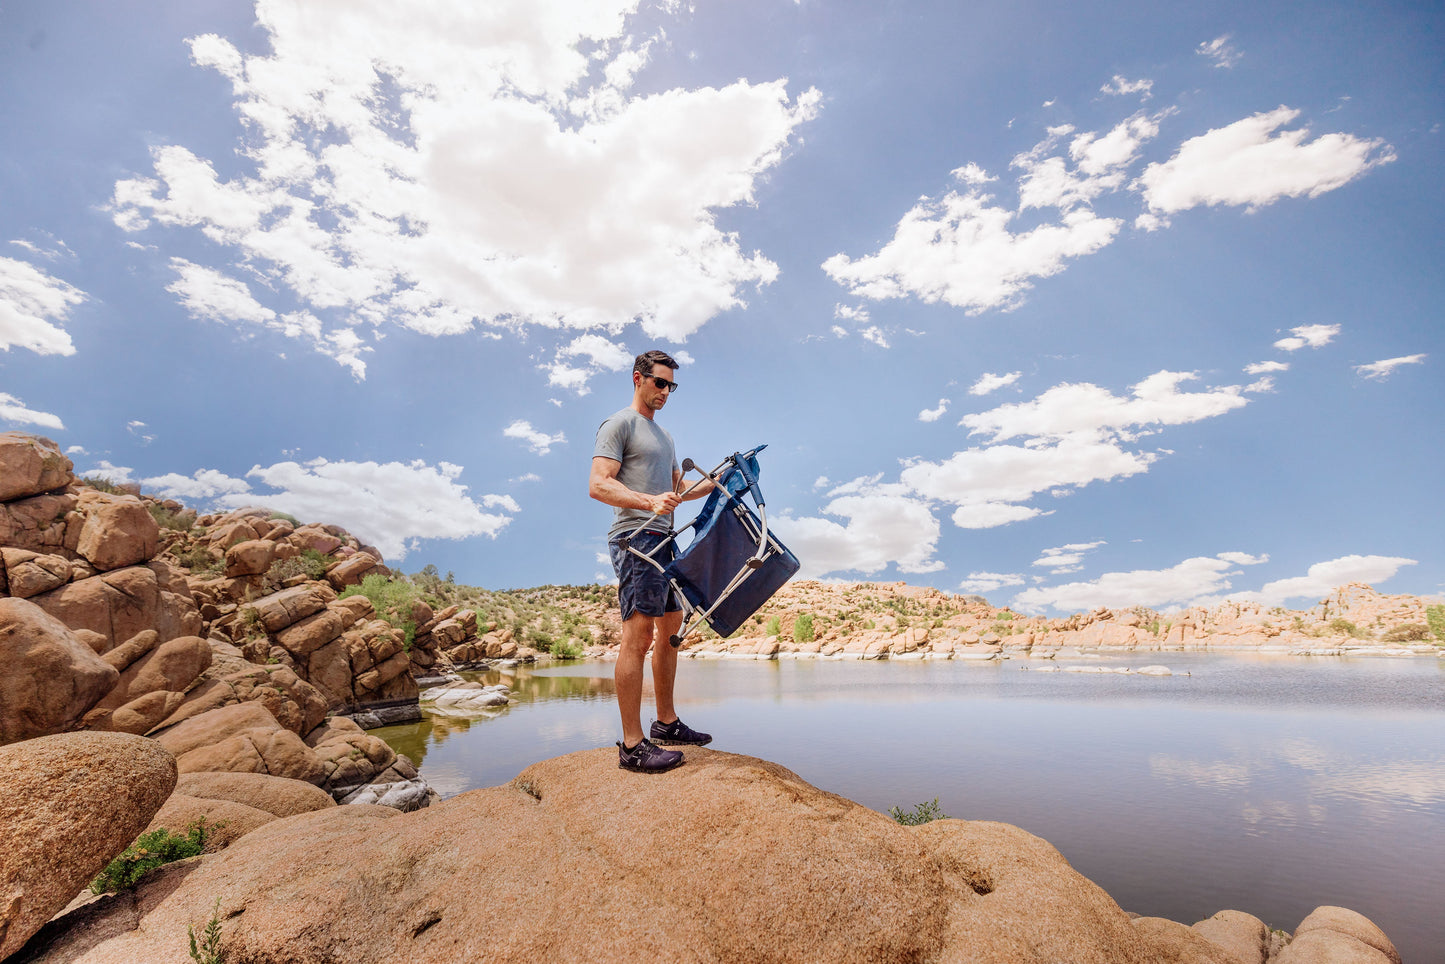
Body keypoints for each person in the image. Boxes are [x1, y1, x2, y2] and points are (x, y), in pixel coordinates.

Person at [589, 350, 716, 773]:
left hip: (665, 540)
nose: (665, 392)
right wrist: (647, 501)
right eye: (659, 383)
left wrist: (716, 481)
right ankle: (631, 745)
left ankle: (666, 723)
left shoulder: (665, 437)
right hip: (635, 539)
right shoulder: (618, 424)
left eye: (671, 386)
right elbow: (599, 484)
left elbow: (677, 488)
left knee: (671, 632)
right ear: (638, 378)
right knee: (638, 637)